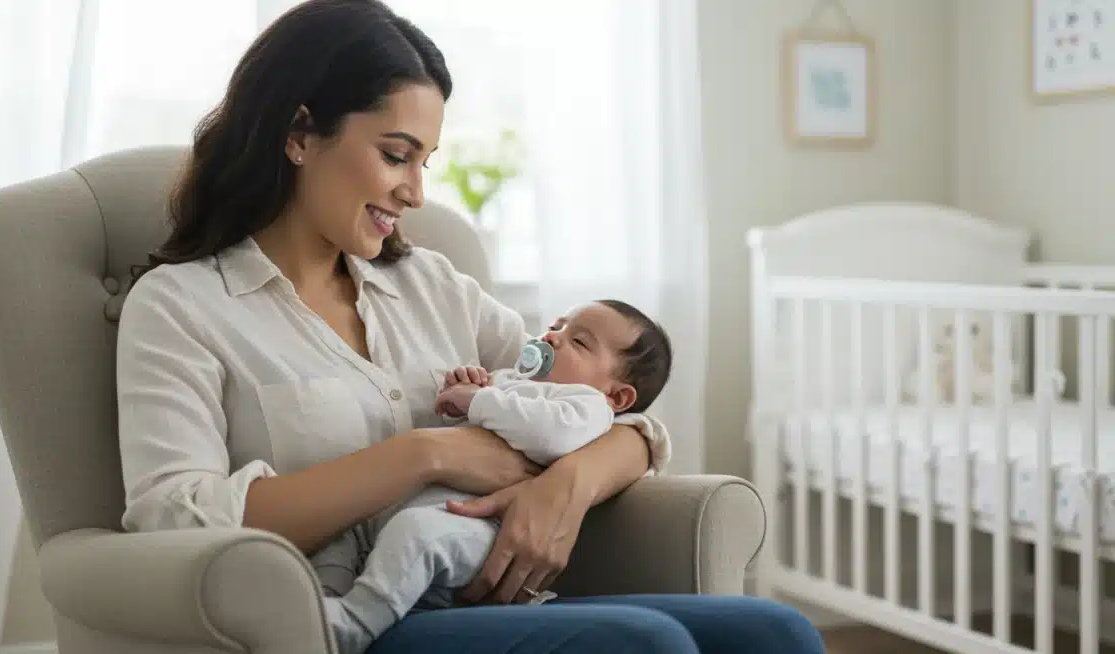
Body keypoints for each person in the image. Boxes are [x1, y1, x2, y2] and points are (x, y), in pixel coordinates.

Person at [115, 1, 826, 653]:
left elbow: (617, 413)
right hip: (343, 622)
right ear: (300, 133)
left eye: (424, 162)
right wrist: (426, 453)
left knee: (775, 630)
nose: (415, 191)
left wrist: (568, 483)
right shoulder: (181, 306)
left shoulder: (429, 286)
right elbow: (174, 523)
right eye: (395, 155)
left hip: (474, 593)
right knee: (649, 645)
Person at [318, 300, 674, 654]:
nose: (553, 338)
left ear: (617, 395)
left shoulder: (587, 406)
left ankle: (356, 623)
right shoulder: (508, 381)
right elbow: (458, 432)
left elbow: (549, 436)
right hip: (412, 506)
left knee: (417, 535)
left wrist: (478, 401)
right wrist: (461, 394)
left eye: (579, 342)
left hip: (482, 528)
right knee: (340, 532)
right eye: (557, 326)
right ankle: (320, 606)